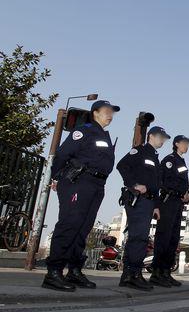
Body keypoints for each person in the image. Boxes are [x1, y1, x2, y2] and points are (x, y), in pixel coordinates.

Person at [43, 100, 120, 292]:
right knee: (70, 225)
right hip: (79, 181)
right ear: (95, 113)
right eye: (107, 111)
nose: (110, 114)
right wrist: (57, 177)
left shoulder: (105, 135)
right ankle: (53, 272)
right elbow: (62, 154)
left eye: (112, 112)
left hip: (96, 185)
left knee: (83, 229)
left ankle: (74, 270)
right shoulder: (84, 130)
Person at [116, 126, 170, 291]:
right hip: (137, 199)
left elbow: (155, 187)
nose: (163, 140)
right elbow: (122, 166)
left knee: (140, 238)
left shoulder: (155, 158)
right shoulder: (139, 151)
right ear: (151, 136)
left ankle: (129, 275)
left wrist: (156, 206)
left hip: (148, 202)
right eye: (160, 137)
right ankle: (133, 274)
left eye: (164, 138)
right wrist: (134, 184)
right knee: (138, 238)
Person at [150, 135, 189, 287]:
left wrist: (188, 194)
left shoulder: (181, 161)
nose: (186, 145)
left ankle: (166, 272)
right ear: (176, 144)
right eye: (184, 143)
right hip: (168, 201)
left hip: (178, 203)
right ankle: (156, 273)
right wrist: (180, 192)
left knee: (173, 239)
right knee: (164, 238)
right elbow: (163, 180)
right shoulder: (170, 160)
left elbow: (182, 183)